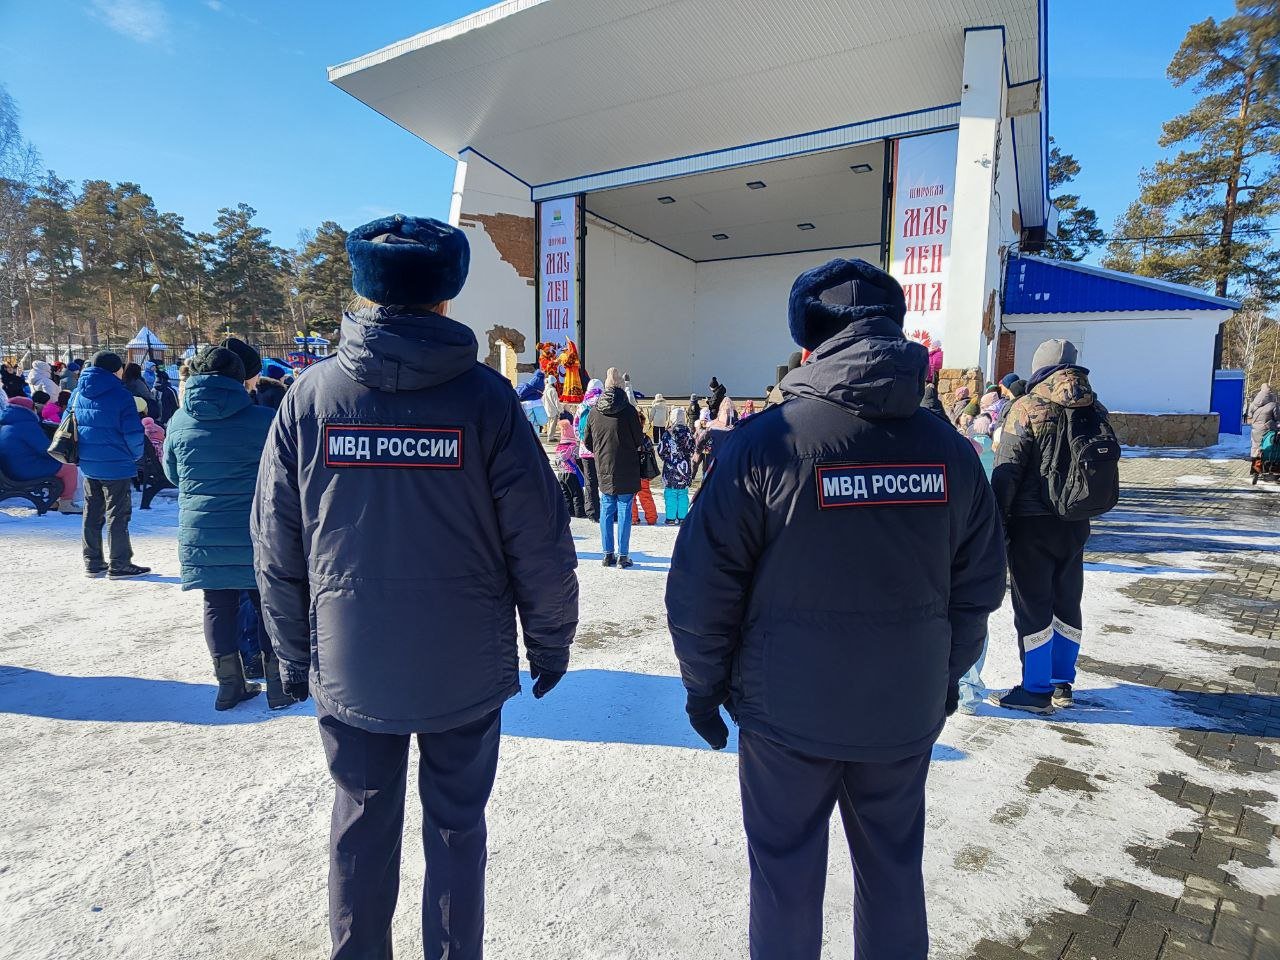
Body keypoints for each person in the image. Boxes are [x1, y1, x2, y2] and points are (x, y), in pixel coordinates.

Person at [252, 214, 578, 960]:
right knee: (458, 828)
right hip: (463, 662)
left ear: (363, 291)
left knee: (362, 824)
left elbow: (276, 542)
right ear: (446, 297)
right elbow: (543, 541)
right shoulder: (488, 403)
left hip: (352, 659)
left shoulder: (309, 399)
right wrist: (550, 641)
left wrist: (294, 650)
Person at [667, 258, 1005, 960]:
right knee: (892, 874)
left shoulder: (766, 443)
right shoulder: (949, 449)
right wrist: (939, 675)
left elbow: (702, 586)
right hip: (900, 711)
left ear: (809, 344)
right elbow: (980, 584)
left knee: (784, 880)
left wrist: (705, 687)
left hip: (787, 714)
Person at [989, 339, 1106, 714]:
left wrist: (997, 521)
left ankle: (1036, 690)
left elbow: (1007, 471)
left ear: (1039, 367)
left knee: (1033, 606)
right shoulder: (1095, 406)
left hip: (1031, 525)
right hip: (1076, 521)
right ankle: (1062, 683)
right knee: (1067, 600)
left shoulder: (1027, 407)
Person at [165, 340, 282, 710]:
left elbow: (173, 474)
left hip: (202, 530)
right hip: (255, 528)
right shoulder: (262, 420)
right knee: (266, 604)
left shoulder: (179, 421)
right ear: (239, 379)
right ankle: (279, 684)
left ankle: (229, 685)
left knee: (216, 605)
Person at [71, 352, 149, 578]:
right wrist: (136, 456)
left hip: (88, 462)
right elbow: (133, 433)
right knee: (118, 513)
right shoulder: (121, 395)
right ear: (116, 370)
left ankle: (92, 561)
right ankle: (120, 562)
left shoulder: (79, 392)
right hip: (116, 463)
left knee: (92, 511)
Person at [584, 366, 645, 569]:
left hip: (604, 467)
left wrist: (601, 452)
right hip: (626, 466)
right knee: (625, 510)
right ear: (620, 386)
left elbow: (587, 441)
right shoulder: (628, 411)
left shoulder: (594, 411)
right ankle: (623, 555)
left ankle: (607, 554)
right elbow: (639, 439)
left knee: (606, 510)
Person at [0, 395, 80, 514]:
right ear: (28, 409)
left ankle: (53, 501)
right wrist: (64, 455)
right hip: (25, 469)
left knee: (59, 465)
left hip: (13, 468)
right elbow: (45, 449)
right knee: (69, 468)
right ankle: (66, 503)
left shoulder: (8, 425)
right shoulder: (26, 425)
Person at [657, 408, 694, 524]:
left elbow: (661, 450)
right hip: (684, 469)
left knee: (670, 493)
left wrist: (667, 458)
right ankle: (683, 517)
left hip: (670, 468)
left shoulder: (668, 433)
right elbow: (692, 449)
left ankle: (671, 518)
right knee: (683, 494)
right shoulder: (688, 433)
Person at [575, 378, 605, 521]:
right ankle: (608, 510)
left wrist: (582, 441)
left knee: (590, 482)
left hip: (585, 450)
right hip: (603, 450)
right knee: (605, 481)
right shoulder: (604, 405)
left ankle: (592, 513)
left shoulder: (582, 406)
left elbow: (576, 428)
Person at [555, 412, 587, 518]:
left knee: (566, 494)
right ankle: (579, 512)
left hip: (560, 473)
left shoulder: (559, 447)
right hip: (571, 473)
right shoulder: (573, 446)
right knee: (576, 493)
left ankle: (569, 511)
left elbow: (557, 460)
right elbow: (578, 460)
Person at [1248, 383, 1277, 459]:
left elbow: (1249, 415)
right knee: (1267, 445)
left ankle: (1255, 461)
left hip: (1255, 428)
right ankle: (1266, 461)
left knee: (1255, 445)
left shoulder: (1254, 403)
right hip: (1267, 429)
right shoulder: (1273, 404)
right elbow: (1277, 417)